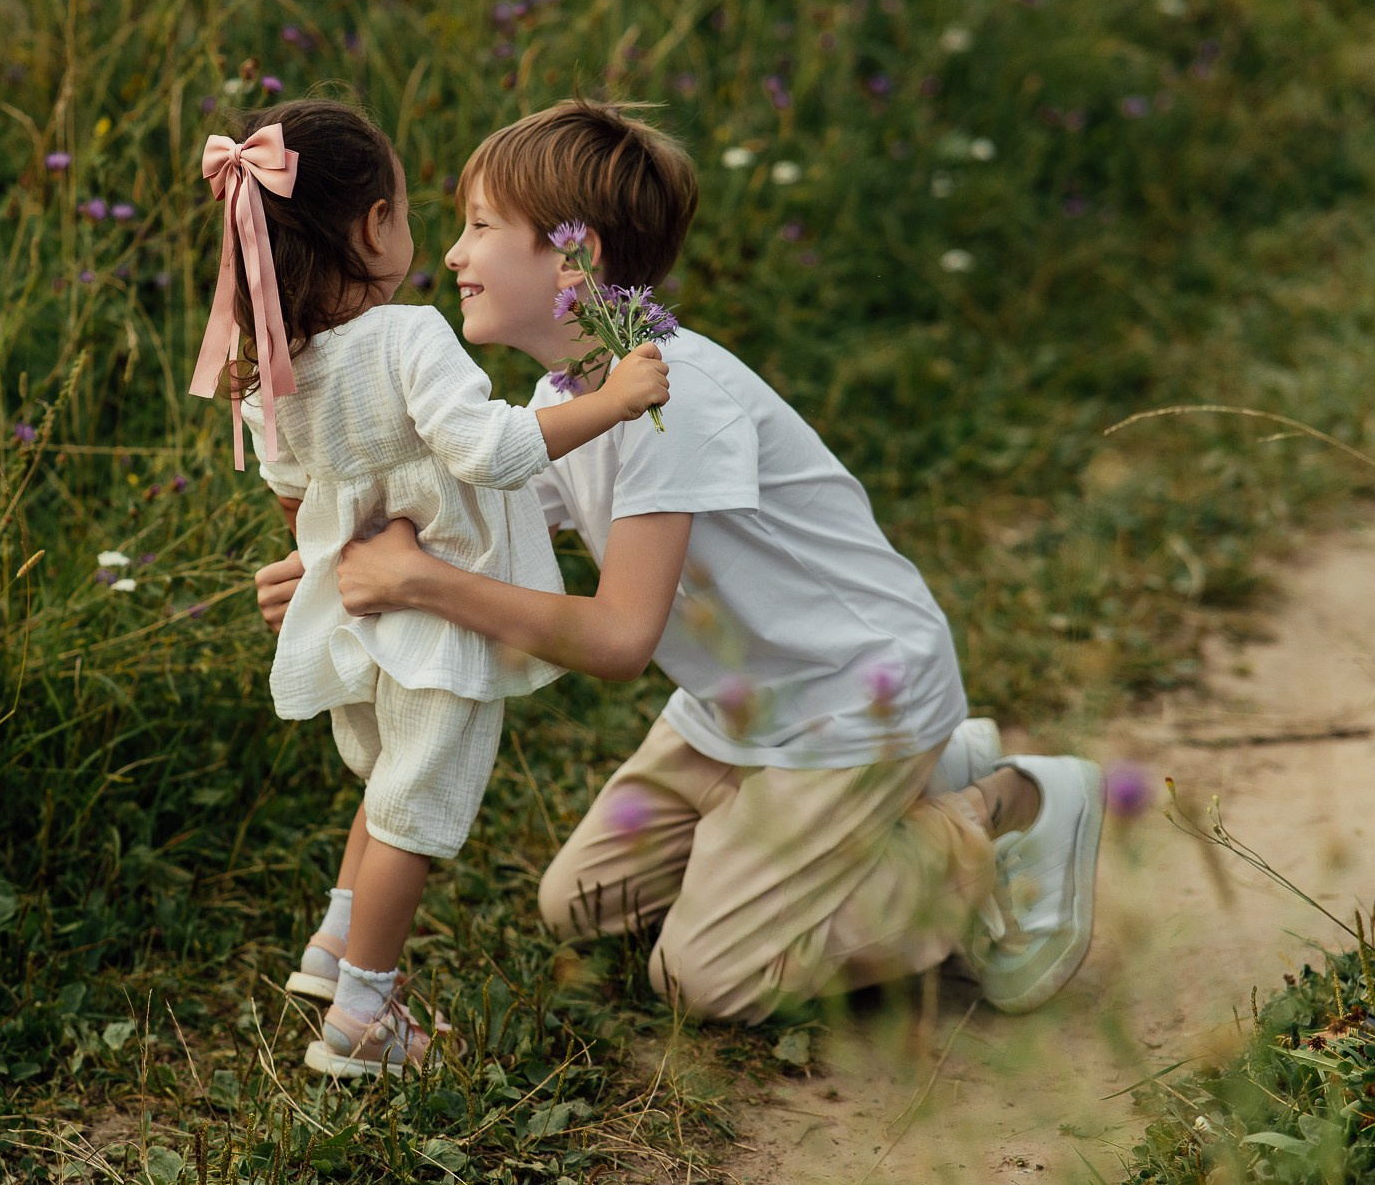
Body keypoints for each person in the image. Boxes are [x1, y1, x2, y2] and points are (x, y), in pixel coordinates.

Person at [255, 99, 1105, 1024]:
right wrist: (332, 575)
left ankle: (1004, 806)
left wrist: (417, 582)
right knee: (581, 903)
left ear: (575, 258)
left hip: (854, 696)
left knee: (705, 978)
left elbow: (619, 637)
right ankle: (909, 789)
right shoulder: (567, 397)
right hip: (736, 705)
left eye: (481, 226)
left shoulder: (667, 400)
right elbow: (466, 538)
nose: (453, 253)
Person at [192, 99, 671, 1076]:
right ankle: (364, 1010)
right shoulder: (405, 337)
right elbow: (487, 451)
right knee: (414, 806)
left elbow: (293, 499)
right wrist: (614, 400)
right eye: (416, 212)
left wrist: (330, 562)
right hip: (440, 613)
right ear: (376, 224)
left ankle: (333, 941)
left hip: (361, 620)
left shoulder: (269, 374)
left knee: (383, 786)